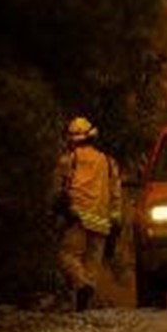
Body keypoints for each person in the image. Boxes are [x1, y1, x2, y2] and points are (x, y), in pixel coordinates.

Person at [52, 115, 124, 311]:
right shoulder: (109, 162)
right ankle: (84, 306)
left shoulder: (69, 160)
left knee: (66, 256)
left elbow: (57, 189)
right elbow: (116, 193)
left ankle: (81, 285)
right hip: (101, 220)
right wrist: (116, 220)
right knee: (93, 263)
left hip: (78, 218)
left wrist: (57, 209)